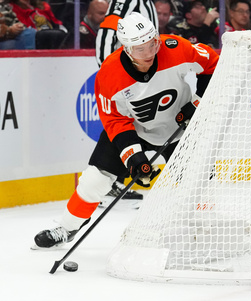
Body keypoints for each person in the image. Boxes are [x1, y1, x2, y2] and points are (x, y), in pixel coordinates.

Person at [33, 12, 219, 249]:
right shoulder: (109, 74)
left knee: (199, 179)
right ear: (127, 49)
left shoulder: (176, 47)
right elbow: (115, 121)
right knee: (93, 181)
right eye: (140, 49)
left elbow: (213, 64)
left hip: (181, 129)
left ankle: (197, 230)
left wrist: (196, 103)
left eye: (153, 44)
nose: (150, 53)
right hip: (135, 130)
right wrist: (134, 157)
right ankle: (67, 228)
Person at [95, 0, 157, 203]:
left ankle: (118, 179)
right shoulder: (126, 1)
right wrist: (112, 76)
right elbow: (106, 32)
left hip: (141, 73)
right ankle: (108, 184)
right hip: (127, 78)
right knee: (119, 127)